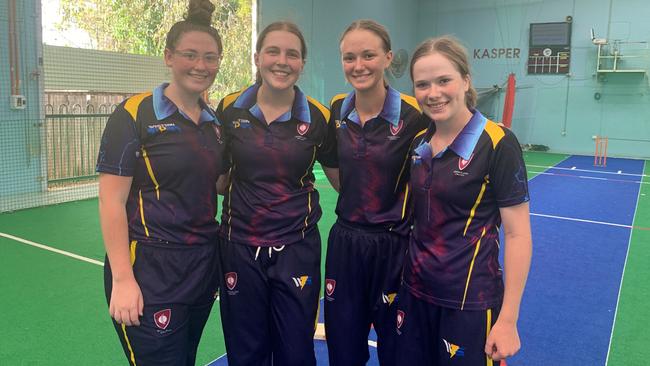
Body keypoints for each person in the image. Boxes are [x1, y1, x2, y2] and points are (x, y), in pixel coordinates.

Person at [96, 1, 227, 364]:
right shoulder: (134, 114)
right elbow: (110, 202)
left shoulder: (215, 124)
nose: (201, 65)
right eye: (190, 54)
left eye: (210, 57)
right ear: (169, 56)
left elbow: (218, 183)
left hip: (202, 266)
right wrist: (123, 279)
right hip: (149, 267)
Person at [395, 35, 532, 365]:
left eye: (444, 80)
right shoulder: (418, 142)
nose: (434, 93)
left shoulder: (498, 142)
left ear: (466, 80)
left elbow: (517, 235)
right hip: (414, 294)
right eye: (423, 84)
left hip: (469, 303)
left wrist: (508, 319)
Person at [215, 21, 335, 366]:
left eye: (292, 54)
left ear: (302, 63)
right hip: (240, 247)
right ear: (257, 57)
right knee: (246, 352)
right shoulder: (228, 110)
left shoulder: (318, 118)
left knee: (296, 354)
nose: (282, 61)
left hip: (296, 249)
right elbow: (218, 180)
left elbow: (343, 180)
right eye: (273, 51)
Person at [319, 19, 428, 366]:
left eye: (368, 55)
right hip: (346, 244)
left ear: (388, 58)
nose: (358, 65)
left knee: (397, 350)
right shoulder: (337, 109)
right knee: (343, 348)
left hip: (395, 246)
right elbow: (337, 175)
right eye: (349, 57)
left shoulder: (416, 115)